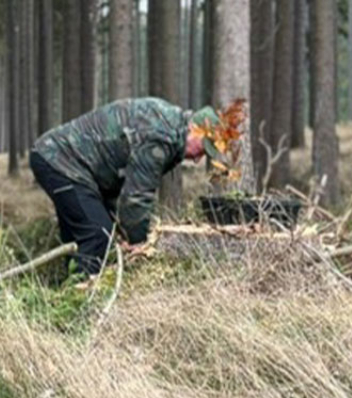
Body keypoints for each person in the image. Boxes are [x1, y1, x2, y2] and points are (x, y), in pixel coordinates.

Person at [29, 97, 234, 275]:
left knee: (85, 235)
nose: (198, 159)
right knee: (97, 234)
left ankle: (69, 289)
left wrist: (121, 228)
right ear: (194, 129)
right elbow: (135, 199)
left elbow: (116, 179)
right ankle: (83, 302)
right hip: (59, 160)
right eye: (202, 149)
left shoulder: (170, 127)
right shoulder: (160, 138)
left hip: (67, 163)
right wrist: (141, 245)